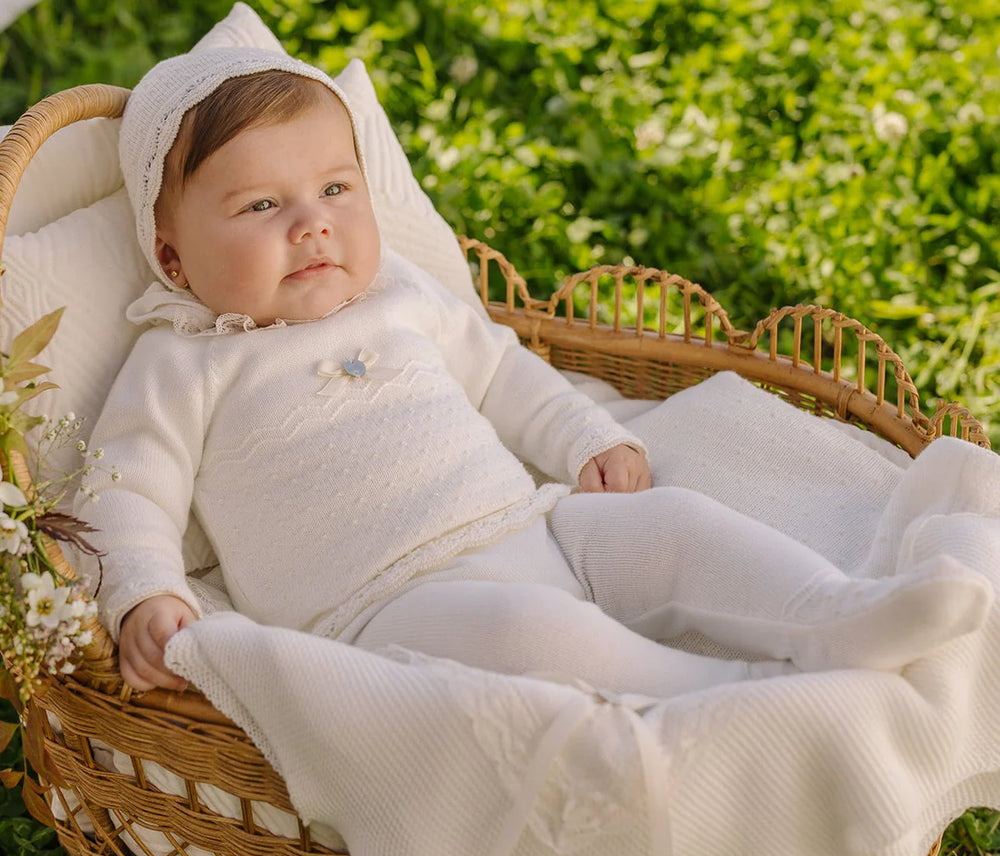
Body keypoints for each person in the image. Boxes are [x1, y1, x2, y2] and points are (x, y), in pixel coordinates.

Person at [79, 46, 991, 695]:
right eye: (261, 204)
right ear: (171, 255)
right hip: (385, 612)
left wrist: (585, 435)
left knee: (671, 525)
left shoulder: (400, 295)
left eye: (334, 190)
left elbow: (501, 373)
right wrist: (144, 593)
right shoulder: (181, 363)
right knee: (532, 637)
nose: (311, 224)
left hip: (534, 524)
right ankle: (732, 693)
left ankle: (834, 613)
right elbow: (127, 492)